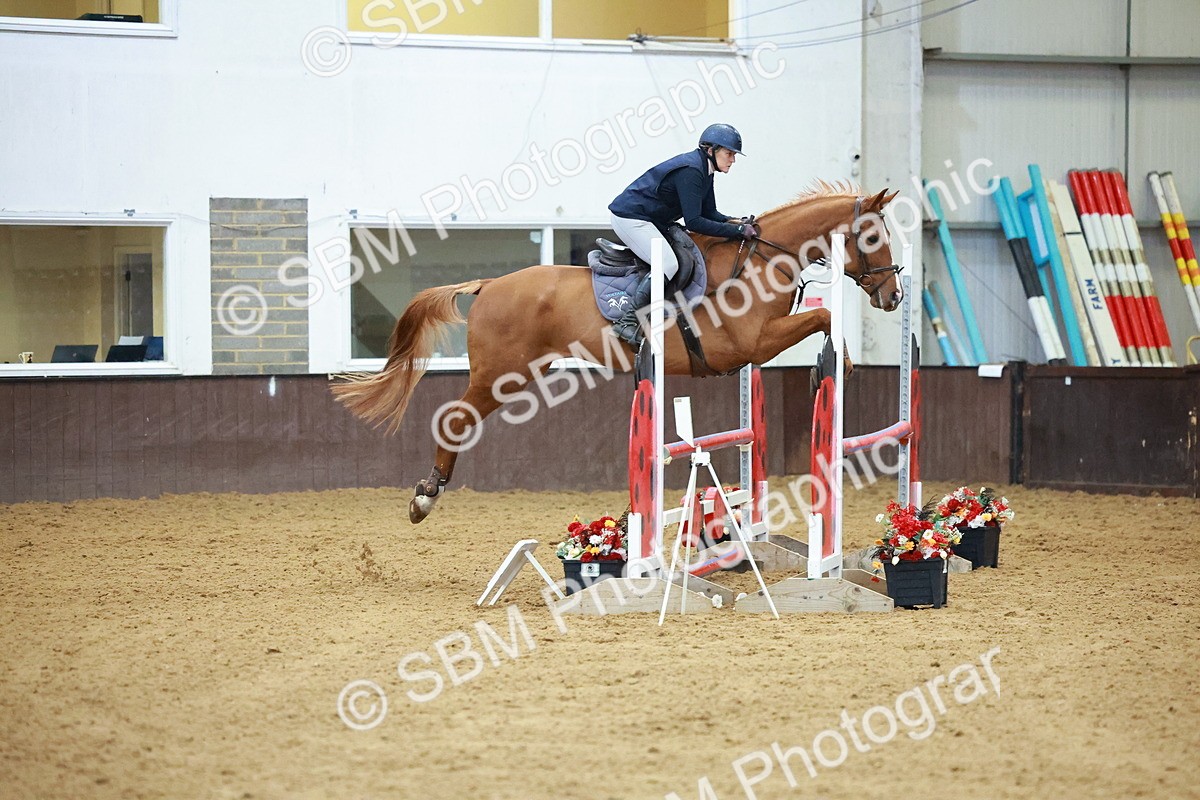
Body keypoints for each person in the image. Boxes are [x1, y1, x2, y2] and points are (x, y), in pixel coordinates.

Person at [607, 123, 759, 346]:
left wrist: (735, 222)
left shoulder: (705, 170)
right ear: (711, 150)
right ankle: (627, 321)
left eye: (734, 154)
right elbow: (694, 222)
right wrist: (737, 231)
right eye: (729, 153)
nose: (732, 160)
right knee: (668, 264)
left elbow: (710, 212)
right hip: (631, 218)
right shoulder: (692, 171)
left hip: (653, 220)